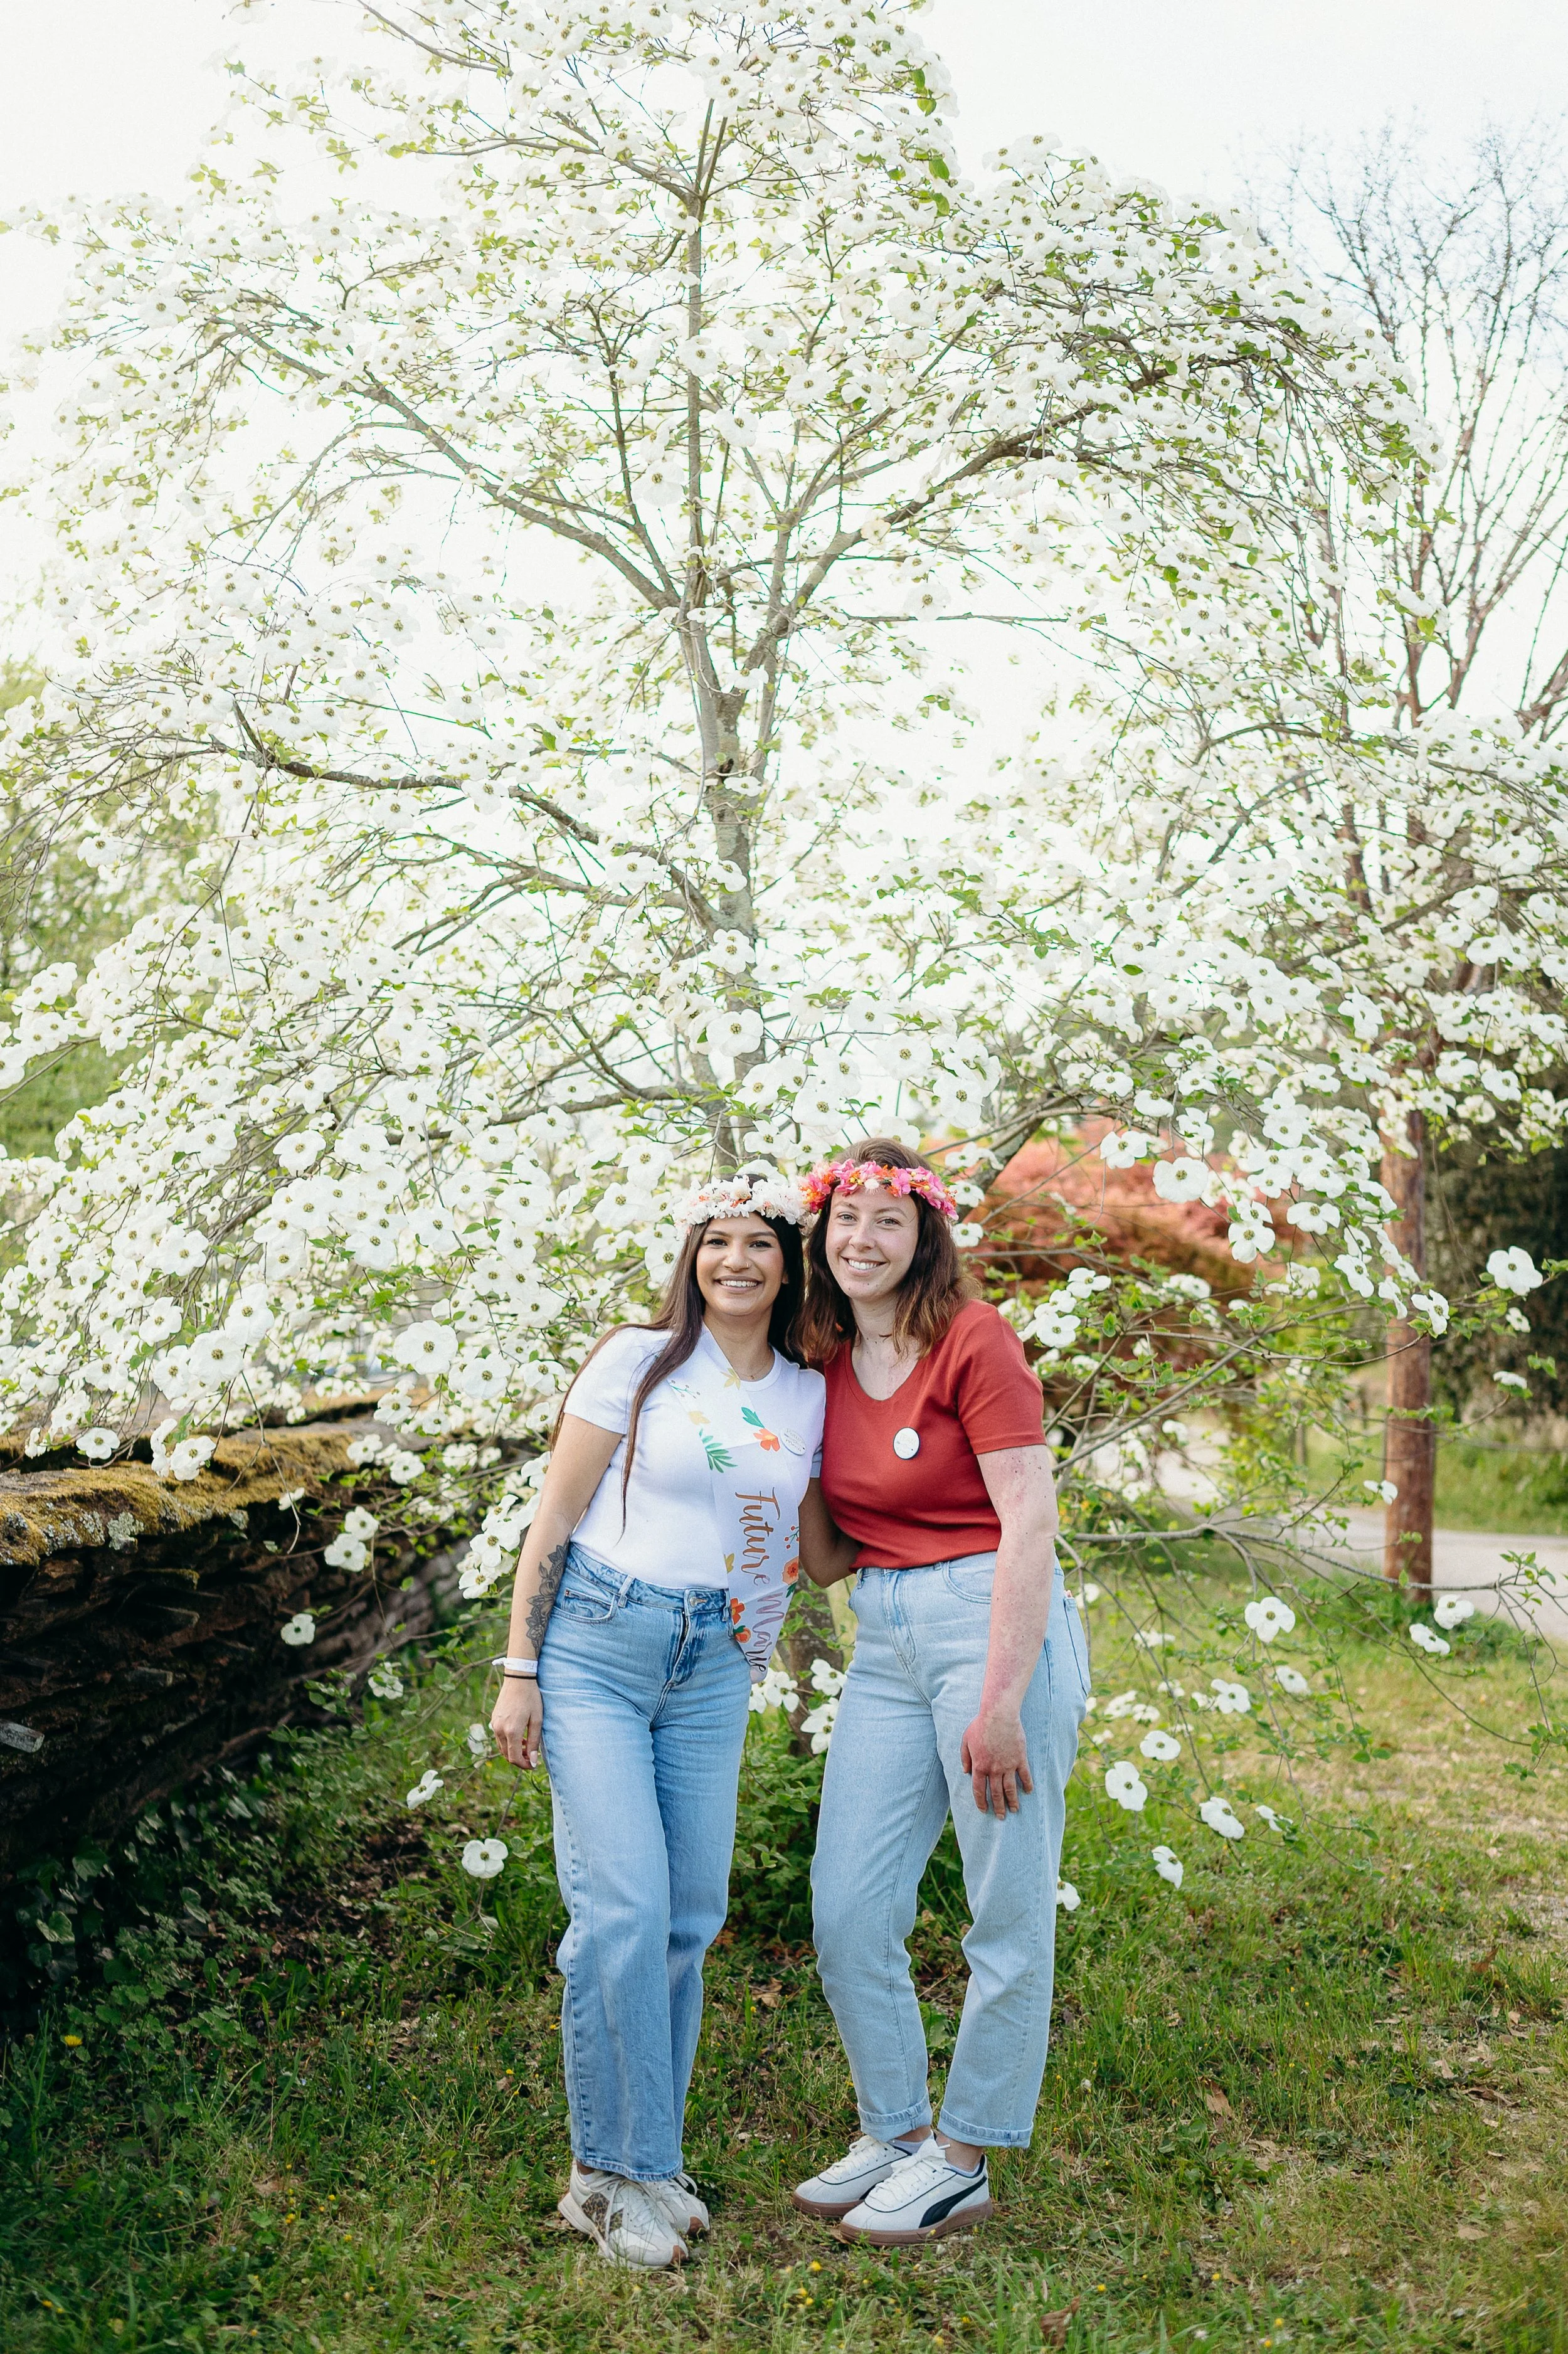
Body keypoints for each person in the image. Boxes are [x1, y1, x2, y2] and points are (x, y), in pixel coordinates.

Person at [489, 1169, 825, 2270]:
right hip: (597, 1639)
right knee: (622, 1907)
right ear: (692, 1258)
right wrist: (519, 1665)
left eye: (758, 1243)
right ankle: (604, 2176)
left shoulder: (807, 1391)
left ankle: (650, 2158)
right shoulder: (639, 1361)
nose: (736, 1260)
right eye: (715, 1240)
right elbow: (557, 1512)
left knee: (689, 1912)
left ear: (788, 1262)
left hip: (717, 1659)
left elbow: (823, 1550)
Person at [791, 1137, 1089, 2246]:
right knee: (848, 1906)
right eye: (847, 1219)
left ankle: (965, 2154)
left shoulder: (973, 1341)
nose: (863, 1240)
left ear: (924, 1241)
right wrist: (766, 1478)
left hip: (993, 1629)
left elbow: (1032, 1524)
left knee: (1003, 1908)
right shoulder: (820, 1362)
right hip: (886, 1630)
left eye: (889, 1222)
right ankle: (897, 2132)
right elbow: (826, 1559)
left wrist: (1003, 1700)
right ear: (822, 1234)